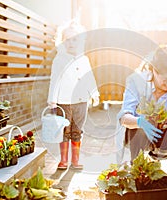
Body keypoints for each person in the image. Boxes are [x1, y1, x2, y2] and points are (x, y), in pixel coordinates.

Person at [47, 22, 99, 170]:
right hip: (63, 102)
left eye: (75, 39)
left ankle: (75, 160)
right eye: (67, 39)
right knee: (64, 130)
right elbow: (55, 79)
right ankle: (63, 160)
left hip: (81, 101)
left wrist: (94, 93)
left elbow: (89, 78)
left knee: (77, 130)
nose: (71, 43)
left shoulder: (84, 59)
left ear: (81, 41)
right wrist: (52, 99)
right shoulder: (59, 59)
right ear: (62, 41)